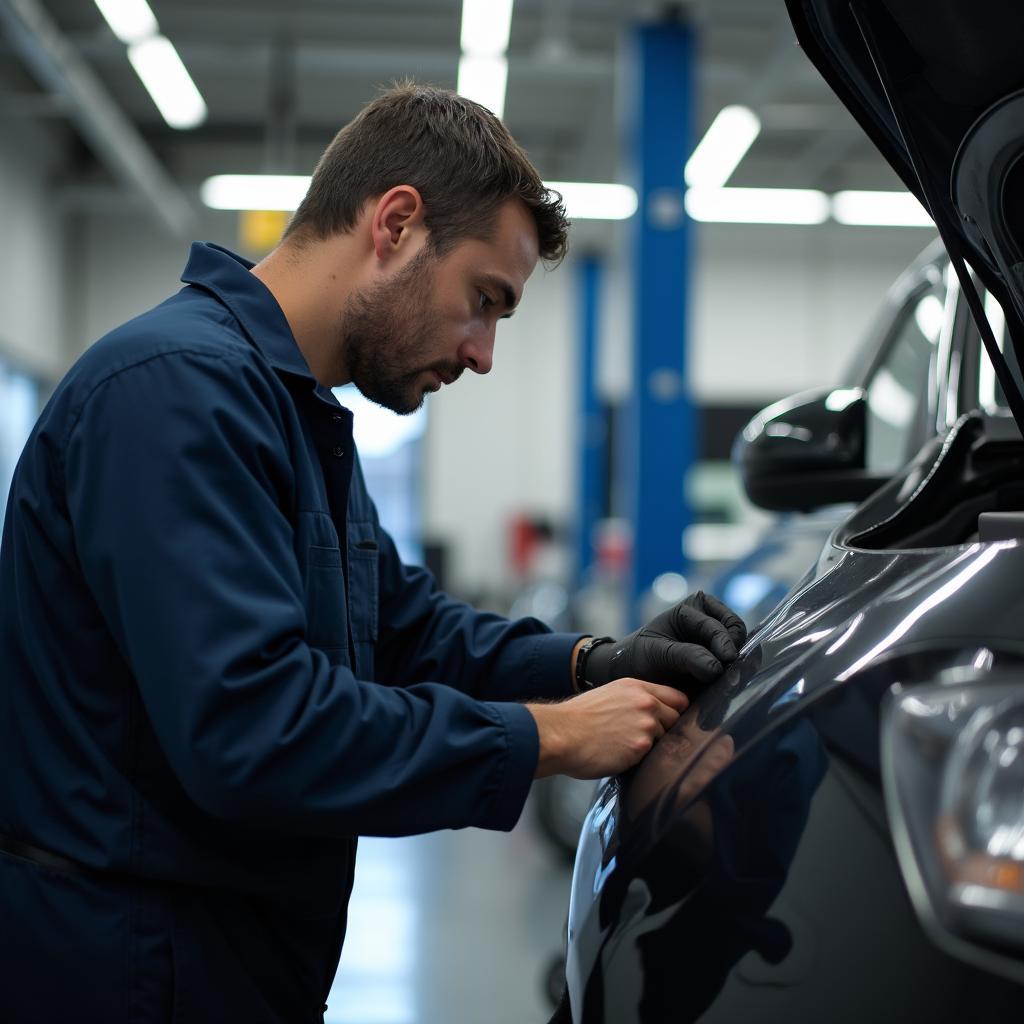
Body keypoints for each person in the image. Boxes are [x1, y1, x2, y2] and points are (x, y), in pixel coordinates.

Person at [0, 83, 745, 1022]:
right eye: (484, 301)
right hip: (131, 966)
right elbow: (254, 727)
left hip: (226, 952)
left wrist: (595, 660)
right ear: (396, 223)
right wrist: (553, 737)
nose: (481, 355)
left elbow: (403, 629)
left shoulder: (294, 412)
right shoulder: (177, 393)